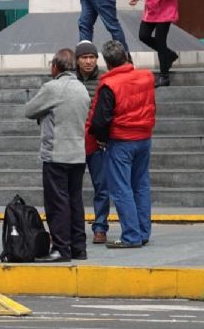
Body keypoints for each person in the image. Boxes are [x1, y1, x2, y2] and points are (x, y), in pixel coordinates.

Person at [86, 40, 155, 249]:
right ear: (126, 57)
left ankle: (131, 236)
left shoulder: (109, 85)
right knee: (141, 186)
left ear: (107, 62)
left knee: (121, 189)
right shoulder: (147, 77)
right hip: (144, 138)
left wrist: (101, 140)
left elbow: (100, 120)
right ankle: (143, 232)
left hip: (121, 141)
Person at [24, 49, 91, 263]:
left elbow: (29, 110)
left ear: (56, 66)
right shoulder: (81, 88)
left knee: (57, 203)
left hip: (57, 154)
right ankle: (78, 247)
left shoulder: (53, 88)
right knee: (75, 201)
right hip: (78, 155)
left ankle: (61, 248)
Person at [74, 40, 110, 245]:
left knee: (102, 187)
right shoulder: (70, 80)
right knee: (72, 188)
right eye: (84, 57)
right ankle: (73, 227)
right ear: (77, 60)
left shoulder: (105, 80)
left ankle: (100, 227)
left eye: (91, 57)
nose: (88, 61)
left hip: (97, 141)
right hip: (75, 140)